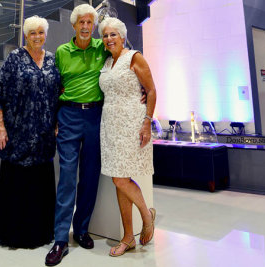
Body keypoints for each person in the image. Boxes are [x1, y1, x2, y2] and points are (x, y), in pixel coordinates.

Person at [45, 4, 109, 266]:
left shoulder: (101, 47)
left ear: (93, 26)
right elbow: (56, 86)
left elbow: (123, 64)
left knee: (90, 176)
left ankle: (81, 229)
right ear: (73, 25)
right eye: (81, 22)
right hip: (69, 117)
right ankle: (60, 238)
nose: (85, 27)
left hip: (95, 117)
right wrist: (55, 119)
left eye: (89, 23)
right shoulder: (62, 51)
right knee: (68, 178)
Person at [0, 16, 61, 249]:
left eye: (41, 32)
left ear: (45, 34)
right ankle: (14, 235)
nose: (37, 37)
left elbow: (60, 93)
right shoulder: (15, 58)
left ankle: (41, 233)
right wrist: (0, 128)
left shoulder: (52, 60)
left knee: (40, 186)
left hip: (44, 136)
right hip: (17, 134)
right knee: (17, 185)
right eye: (32, 33)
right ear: (25, 36)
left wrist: (57, 123)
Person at [98, 17, 157, 257]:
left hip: (132, 123)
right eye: (105, 35)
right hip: (110, 125)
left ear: (122, 37)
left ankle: (146, 215)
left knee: (121, 180)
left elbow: (151, 90)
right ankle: (127, 237)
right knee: (119, 179)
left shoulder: (134, 57)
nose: (109, 38)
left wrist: (147, 122)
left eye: (113, 34)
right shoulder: (106, 62)